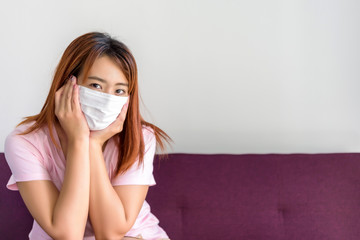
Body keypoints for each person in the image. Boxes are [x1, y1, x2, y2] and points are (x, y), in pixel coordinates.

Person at [4, 32, 171, 240]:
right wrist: (79, 140)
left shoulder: (140, 137)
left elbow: (110, 233)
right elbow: (67, 234)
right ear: (66, 83)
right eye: (96, 86)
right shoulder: (24, 142)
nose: (108, 99)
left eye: (119, 91)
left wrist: (93, 144)